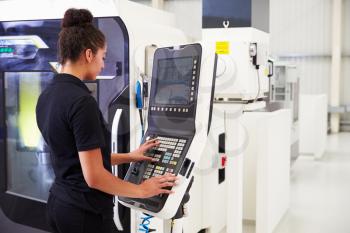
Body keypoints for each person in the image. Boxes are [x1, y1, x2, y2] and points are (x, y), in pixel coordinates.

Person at [36, 8, 177, 233]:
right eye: (103, 57)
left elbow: (78, 157)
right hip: (86, 215)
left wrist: (130, 156)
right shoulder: (82, 102)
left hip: (58, 207)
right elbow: (94, 176)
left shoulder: (47, 96)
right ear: (89, 54)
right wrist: (142, 189)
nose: (103, 64)